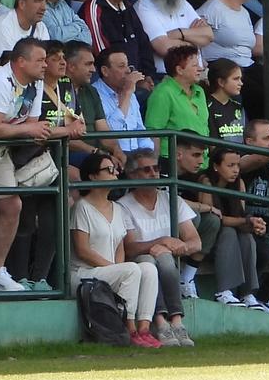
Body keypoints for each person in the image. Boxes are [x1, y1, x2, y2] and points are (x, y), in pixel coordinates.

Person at [72, 151, 165, 347]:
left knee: (148, 268)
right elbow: (82, 250)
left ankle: (144, 329)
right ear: (93, 176)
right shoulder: (81, 207)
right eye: (109, 170)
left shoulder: (118, 208)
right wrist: (115, 269)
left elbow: (119, 247)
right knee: (131, 269)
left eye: (115, 170)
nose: (115, 174)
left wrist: (118, 268)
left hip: (110, 271)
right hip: (84, 274)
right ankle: (129, 329)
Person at [117, 148, 199, 346]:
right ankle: (163, 322)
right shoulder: (122, 205)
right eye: (146, 170)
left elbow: (196, 242)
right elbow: (130, 248)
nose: (153, 173)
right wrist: (161, 241)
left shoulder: (171, 199)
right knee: (150, 261)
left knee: (163, 258)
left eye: (156, 168)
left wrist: (177, 246)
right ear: (132, 175)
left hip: (167, 260)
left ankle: (175, 322)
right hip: (140, 261)